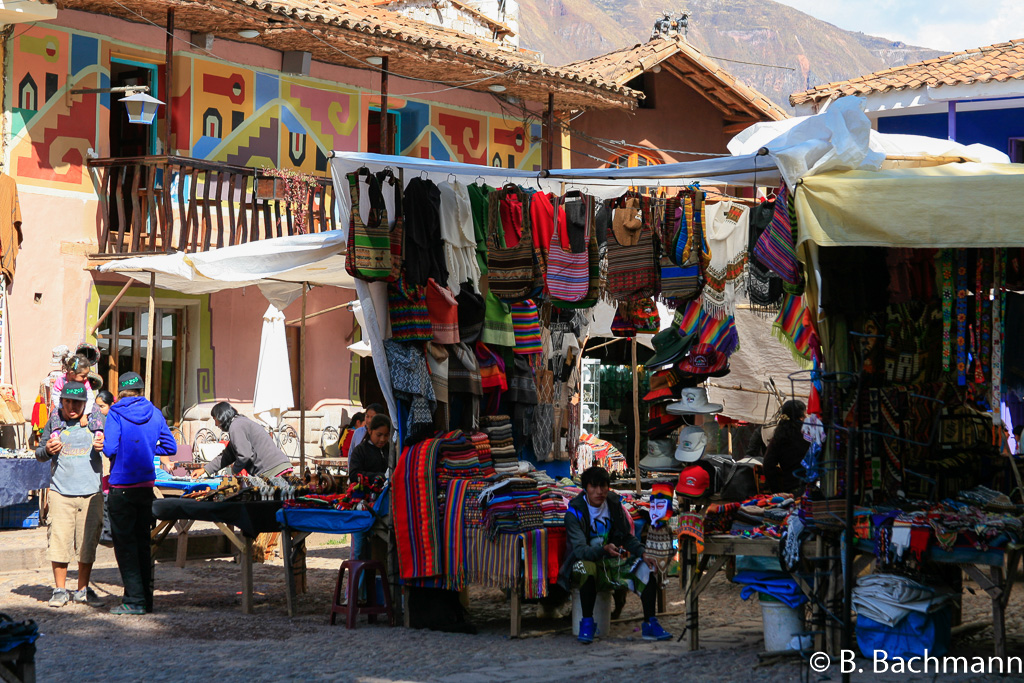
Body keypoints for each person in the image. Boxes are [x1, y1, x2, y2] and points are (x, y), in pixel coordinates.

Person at [558, 466, 671, 643]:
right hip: (583, 564)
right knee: (585, 567)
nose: (599, 491)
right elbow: (580, 550)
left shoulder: (613, 504)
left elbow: (626, 536)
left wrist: (643, 553)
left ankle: (650, 623)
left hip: (612, 563)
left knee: (646, 567)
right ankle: (587, 623)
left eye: (603, 486)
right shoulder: (574, 512)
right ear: (586, 488)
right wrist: (603, 549)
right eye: (594, 487)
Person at [103, 372, 177, 615]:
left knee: (125, 546)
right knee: (143, 545)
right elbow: (170, 447)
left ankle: (134, 601)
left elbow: (110, 448)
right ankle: (145, 599)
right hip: (146, 488)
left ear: (120, 391)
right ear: (141, 390)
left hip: (121, 487)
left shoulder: (115, 413)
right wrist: (148, 447)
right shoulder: (155, 413)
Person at [35, 380, 106, 608]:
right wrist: (46, 450)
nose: (72, 406)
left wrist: (103, 444)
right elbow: (38, 452)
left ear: (85, 403)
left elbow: (114, 445)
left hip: (91, 493)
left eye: (77, 402)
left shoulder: (96, 422)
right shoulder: (54, 423)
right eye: (68, 402)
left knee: (87, 544)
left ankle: (83, 590)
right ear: (62, 402)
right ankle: (59, 590)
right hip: (60, 493)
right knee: (59, 541)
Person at [195, 402, 291, 478]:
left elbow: (244, 455)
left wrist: (234, 470)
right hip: (278, 467)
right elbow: (227, 456)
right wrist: (205, 470)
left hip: (272, 470)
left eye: (215, 420)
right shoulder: (239, 423)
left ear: (221, 417)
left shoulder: (236, 426)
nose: (216, 424)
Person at [347, 414, 391, 561]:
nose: (383, 439)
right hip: (362, 505)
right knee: (358, 550)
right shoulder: (360, 451)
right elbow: (354, 474)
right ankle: (357, 584)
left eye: (386, 435)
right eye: (379, 435)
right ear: (370, 431)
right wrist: (379, 476)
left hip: (383, 507)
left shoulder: (389, 451)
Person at [763, 399, 809, 494]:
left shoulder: (779, 437)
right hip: (810, 488)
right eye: (805, 413)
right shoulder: (808, 434)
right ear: (801, 417)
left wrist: (777, 491)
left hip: (790, 490)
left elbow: (768, 465)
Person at [50, 353, 96, 419]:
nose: (86, 378)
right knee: (55, 414)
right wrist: (62, 409)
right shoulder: (61, 381)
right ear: (72, 373)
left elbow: (90, 398)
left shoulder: (85, 382)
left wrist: (85, 414)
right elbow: (55, 396)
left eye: (86, 375)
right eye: (83, 376)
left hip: (81, 410)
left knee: (96, 408)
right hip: (65, 408)